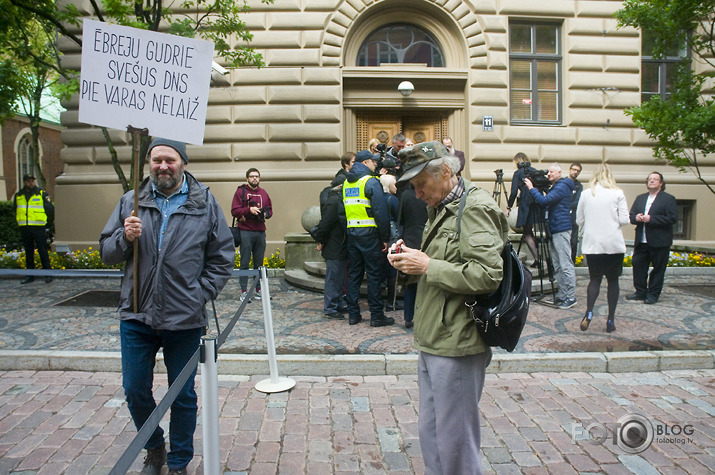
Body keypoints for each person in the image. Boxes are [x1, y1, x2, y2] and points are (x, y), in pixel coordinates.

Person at [99, 138, 234, 475]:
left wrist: (199, 294)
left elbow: (222, 258)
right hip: (137, 313)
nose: (162, 166)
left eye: (169, 160)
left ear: (183, 163)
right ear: (148, 163)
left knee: (183, 395)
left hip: (185, 317)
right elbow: (106, 252)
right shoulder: (131, 201)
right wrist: (123, 239)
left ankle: (178, 462)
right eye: (156, 160)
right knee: (134, 390)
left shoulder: (205, 203)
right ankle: (154, 445)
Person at [388, 140, 508, 474]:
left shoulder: (475, 207)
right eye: (412, 186)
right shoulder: (443, 206)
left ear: (444, 172)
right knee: (433, 431)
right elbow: (444, 265)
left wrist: (427, 266)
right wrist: (410, 260)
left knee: (455, 439)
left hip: (458, 341)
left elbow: (486, 275)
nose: (416, 193)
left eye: (420, 184)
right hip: (435, 338)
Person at [342, 150, 394, 327]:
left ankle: (353, 315)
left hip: (352, 233)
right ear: (365, 163)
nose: (376, 165)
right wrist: (385, 237)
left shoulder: (347, 183)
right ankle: (377, 316)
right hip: (370, 234)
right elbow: (380, 212)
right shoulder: (371, 182)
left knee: (354, 274)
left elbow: (343, 213)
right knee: (373, 275)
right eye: (373, 162)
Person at [576, 163, 629, 333]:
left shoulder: (586, 194)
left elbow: (579, 220)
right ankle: (610, 320)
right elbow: (625, 219)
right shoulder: (617, 193)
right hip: (613, 244)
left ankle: (589, 312)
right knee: (613, 280)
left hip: (593, 244)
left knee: (595, 279)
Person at [525, 163, 577, 309]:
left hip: (561, 228)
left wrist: (531, 188)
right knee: (558, 265)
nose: (549, 174)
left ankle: (570, 297)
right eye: (548, 172)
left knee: (565, 264)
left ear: (560, 172)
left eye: (552, 172)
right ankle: (562, 295)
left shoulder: (562, 186)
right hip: (554, 228)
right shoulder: (556, 186)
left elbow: (544, 201)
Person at [626, 172, 677, 305]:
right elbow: (631, 215)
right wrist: (636, 217)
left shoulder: (668, 199)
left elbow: (672, 218)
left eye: (655, 179)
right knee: (638, 266)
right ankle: (640, 292)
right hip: (642, 240)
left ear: (661, 183)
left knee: (658, 269)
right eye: (650, 179)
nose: (652, 181)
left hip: (659, 241)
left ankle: (653, 294)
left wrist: (651, 219)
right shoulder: (640, 198)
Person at [232, 168, 273, 302]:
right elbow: (234, 210)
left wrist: (266, 214)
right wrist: (249, 210)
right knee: (244, 262)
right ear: (247, 179)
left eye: (257, 176)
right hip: (246, 231)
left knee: (259, 263)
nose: (254, 178)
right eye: (252, 176)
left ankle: (259, 290)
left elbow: (270, 210)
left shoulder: (264, 193)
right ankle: (244, 291)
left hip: (260, 231)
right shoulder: (241, 192)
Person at [314, 174, 349, 319]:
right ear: (341, 187)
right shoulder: (334, 202)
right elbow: (325, 225)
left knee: (339, 278)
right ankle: (330, 308)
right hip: (334, 246)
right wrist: (320, 240)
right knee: (333, 278)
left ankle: (337, 304)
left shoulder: (337, 200)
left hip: (339, 245)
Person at [396, 183, 428, 328]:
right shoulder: (431, 193)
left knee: (409, 283)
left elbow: (400, 219)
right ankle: (424, 317)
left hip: (410, 240)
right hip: (427, 240)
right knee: (427, 282)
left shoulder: (406, 195)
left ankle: (408, 317)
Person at [14, 173, 54, 284]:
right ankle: (30, 276)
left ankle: (48, 274)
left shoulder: (41, 193)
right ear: (25, 182)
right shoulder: (19, 195)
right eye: (28, 181)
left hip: (38, 227)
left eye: (32, 181)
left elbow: (50, 209)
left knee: (43, 250)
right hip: (25, 227)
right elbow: (16, 209)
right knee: (28, 252)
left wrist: (47, 223)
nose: (30, 183)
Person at [506, 153, 539, 266]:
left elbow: (514, 192)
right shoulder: (534, 170)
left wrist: (508, 207)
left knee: (527, 233)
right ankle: (537, 257)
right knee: (531, 231)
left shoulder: (518, 173)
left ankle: (537, 258)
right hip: (536, 201)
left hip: (525, 203)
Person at [380, 173, 401, 311]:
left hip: (380, 237)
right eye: (394, 184)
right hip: (393, 236)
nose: (396, 187)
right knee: (392, 270)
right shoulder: (393, 200)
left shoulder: (378, 198)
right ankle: (390, 302)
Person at [569, 162, 583, 263]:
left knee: (573, 242)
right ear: (570, 169)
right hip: (563, 216)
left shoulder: (579, 185)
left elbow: (578, 201)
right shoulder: (563, 182)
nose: (575, 172)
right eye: (574, 169)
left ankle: (572, 263)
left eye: (578, 171)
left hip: (573, 217)